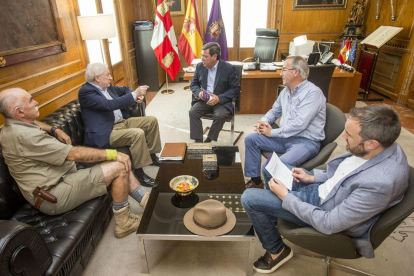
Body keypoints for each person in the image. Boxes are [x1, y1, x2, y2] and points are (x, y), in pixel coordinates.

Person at [241, 104, 409, 274]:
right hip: (324, 189)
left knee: (249, 199)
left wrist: (286, 197)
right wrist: (313, 177)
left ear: (372, 144)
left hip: (322, 209)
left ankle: (277, 251)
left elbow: (329, 223)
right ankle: (275, 215)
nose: (342, 136)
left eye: (349, 135)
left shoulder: (379, 184)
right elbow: (345, 172)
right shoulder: (384, 145)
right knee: (271, 167)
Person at [0, 88, 151, 239]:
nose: (36, 102)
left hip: (59, 181)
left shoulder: (14, 125)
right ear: (19, 111)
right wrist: (114, 154)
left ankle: (146, 201)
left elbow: (34, 123)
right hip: (53, 195)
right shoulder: (25, 136)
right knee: (118, 166)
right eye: (31, 100)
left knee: (119, 161)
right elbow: (73, 154)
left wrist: (54, 129)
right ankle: (124, 223)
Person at [244, 56, 326, 189]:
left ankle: (276, 193)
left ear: (296, 72)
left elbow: (300, 124)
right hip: (284, 137)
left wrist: (272, 132)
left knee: (275, 166)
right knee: (251, 139)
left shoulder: (313, 93)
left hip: (305, 142)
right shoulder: (285, 91)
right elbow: (274, 111)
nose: (281, 73)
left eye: (283, 69)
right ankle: (256, 182)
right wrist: (264, 122)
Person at [78, 62, 161, 187]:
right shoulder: (86, 92)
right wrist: (134, 94)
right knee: (137, 134)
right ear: (97, 78)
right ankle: (140, 173)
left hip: (121, 122)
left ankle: (152, 156)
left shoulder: (107, 86)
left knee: (151, 121)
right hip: (106, 131)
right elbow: (108, 105)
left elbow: (125, 89)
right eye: (107, 75)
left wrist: (135, 96)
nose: (110, 77)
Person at [189, 42, 240, 143]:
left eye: (205, 56)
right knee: (193, 112)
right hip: (204, 100)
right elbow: (193, 84)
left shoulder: (228, 68)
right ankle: (199, 142)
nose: (202, 59)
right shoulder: (200, 66)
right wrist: (199, 92)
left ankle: (208, 140)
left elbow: (235, 88)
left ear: (214, 56)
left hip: (221, 101)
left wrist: (219, 98)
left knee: (220, 116)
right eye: (201, 56)